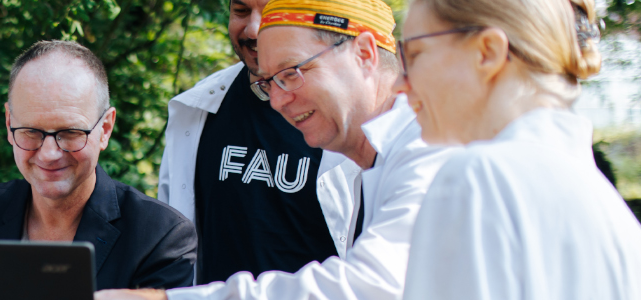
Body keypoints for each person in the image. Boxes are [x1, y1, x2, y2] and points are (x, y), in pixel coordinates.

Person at [99, 0, 455, 298]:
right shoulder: (377, 157)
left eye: (292, 73)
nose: (277, 102)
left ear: (364, 53)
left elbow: (372, 284)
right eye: (269, 83)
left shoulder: (431, 148)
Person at [396, 0, 641, 298]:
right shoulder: (622, 224)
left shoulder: (478, 178)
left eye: (413, 55)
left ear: (488, 52)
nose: (399, 84)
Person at [0, 40, 197, 290]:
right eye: (30, 131)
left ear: (105, 129)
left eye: (70, 133)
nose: (49, 154)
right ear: (9, 124)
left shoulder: (159, 237)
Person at [156, 0, 362, 286]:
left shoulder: (351, 119)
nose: (253, 29)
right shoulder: (197, 109)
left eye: (269, 11)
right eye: (241, 11)